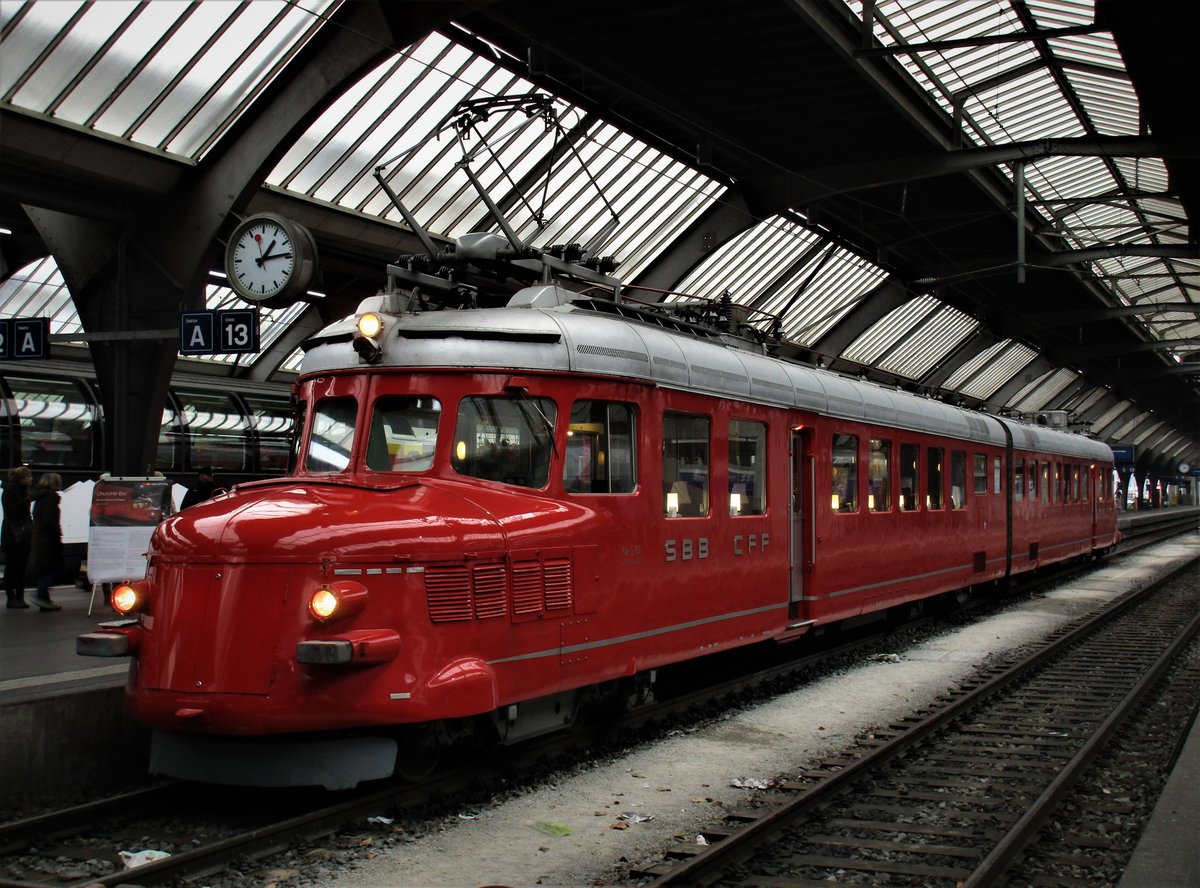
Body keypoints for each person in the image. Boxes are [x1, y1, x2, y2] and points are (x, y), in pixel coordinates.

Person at [29, 472, 63, 611]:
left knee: (44, 569)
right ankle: (41, 595)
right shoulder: (51, 498)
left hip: (39, 538)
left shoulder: (39, 498)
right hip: (48, 540)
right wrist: (57, 534)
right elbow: (49, 521)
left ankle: (44, 598)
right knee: (53, 568)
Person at [2, 465, 34, 609]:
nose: (31, 479)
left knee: (21, 567)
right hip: (13, 535)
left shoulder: (22, 491)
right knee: (12, 567)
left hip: (22, 533)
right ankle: (11, 598)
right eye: (29, 476)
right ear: (22, 478)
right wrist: (27, 500)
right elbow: (11, 511)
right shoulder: (10, 492)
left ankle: (19, 596)